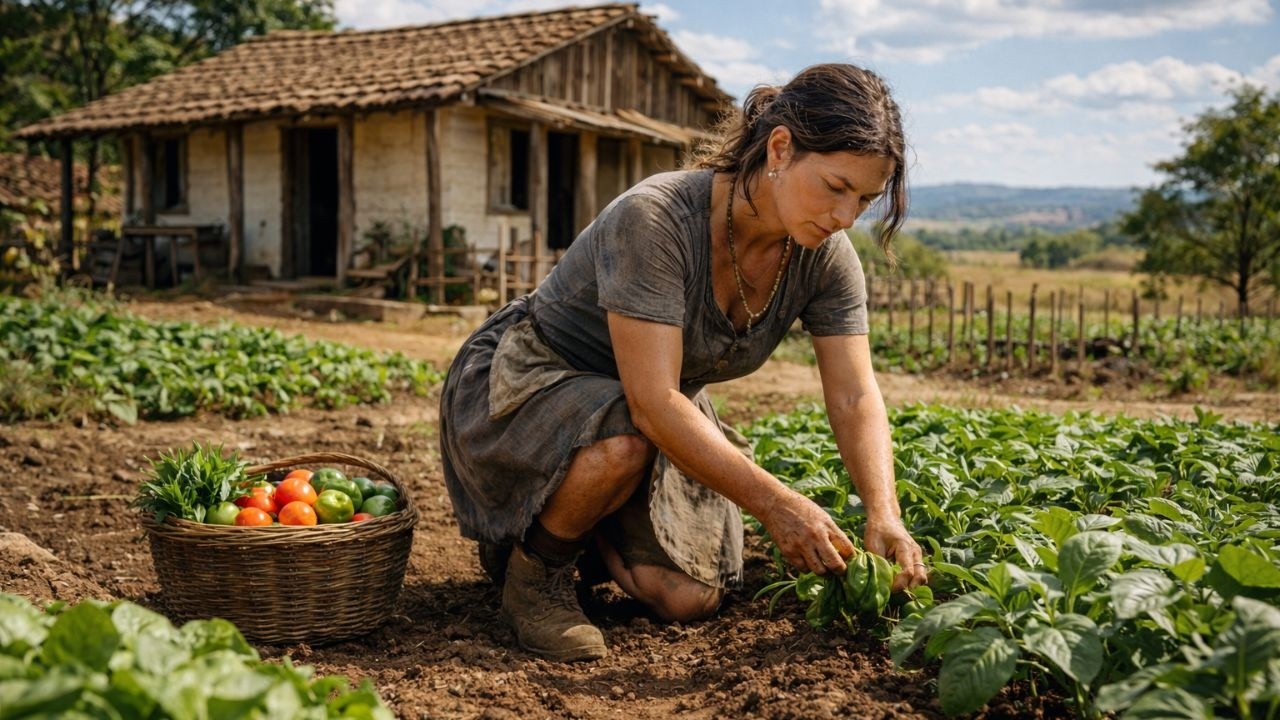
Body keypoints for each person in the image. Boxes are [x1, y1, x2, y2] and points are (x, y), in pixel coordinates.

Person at [439, 62, 928, 663]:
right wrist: (777, 504)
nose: (846, 216)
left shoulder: (825, 258)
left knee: (686, 598)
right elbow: (653, 403)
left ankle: (562, 522)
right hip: (531, 383)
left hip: (647, 415)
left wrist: (885, 514)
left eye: (866, 199)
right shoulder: (658, 219)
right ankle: (536, 575)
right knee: (622, 439)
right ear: (781, 148)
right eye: (835, 186)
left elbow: (855, 395)